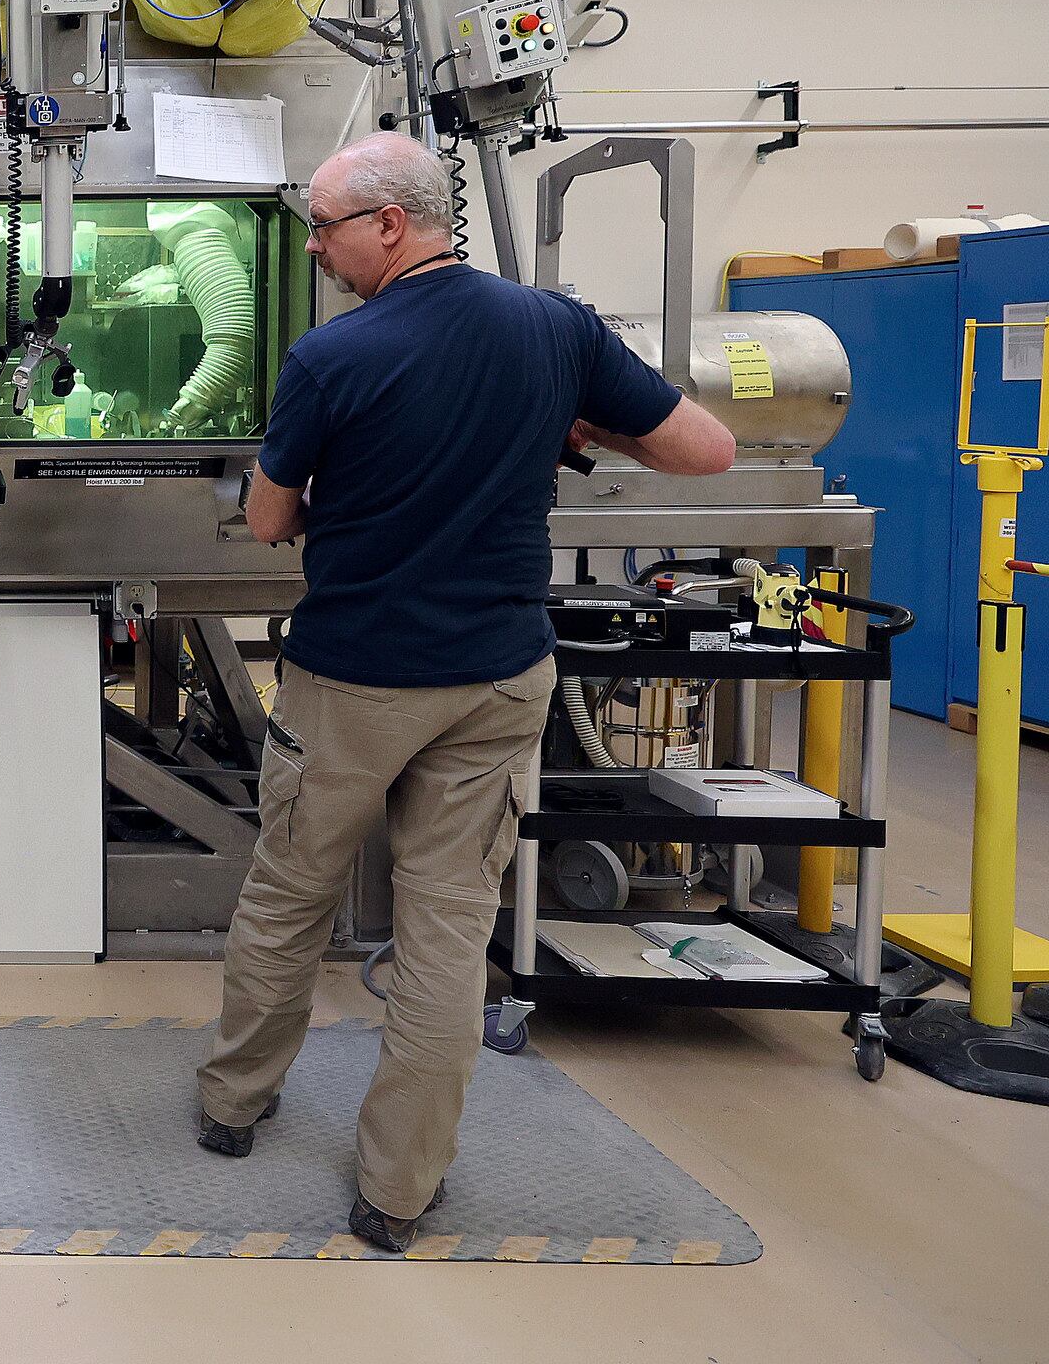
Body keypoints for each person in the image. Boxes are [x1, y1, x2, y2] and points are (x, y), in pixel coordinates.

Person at [192, 130, 737, 1253]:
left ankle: (234, 1103)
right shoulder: (559, 327)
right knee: (447, 929)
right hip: (496, 676)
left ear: (389, 224)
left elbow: (266, 520)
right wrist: (575, 423)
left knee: (291, 889)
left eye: (328, 227)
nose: (319, 248)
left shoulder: (332, 357)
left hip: (353, 678)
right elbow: (707, 450)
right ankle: (398, 1189)